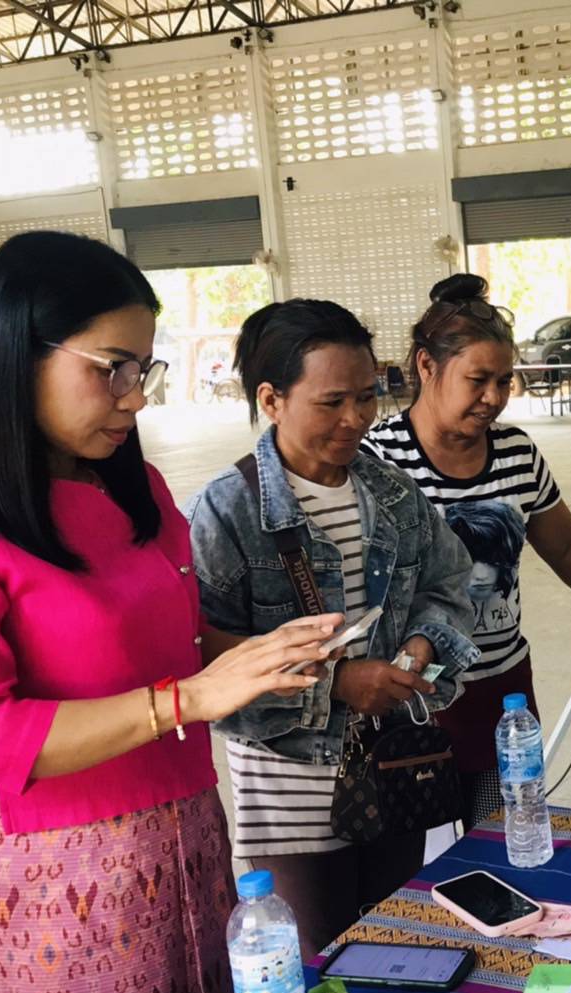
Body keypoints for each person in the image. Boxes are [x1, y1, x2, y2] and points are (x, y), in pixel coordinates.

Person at [0, 232, 339, 993]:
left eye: (145, 370)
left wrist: (259, 658)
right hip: (55, 881)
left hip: (186, 835)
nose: (133, 396)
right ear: (16, 350)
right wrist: (186, 698)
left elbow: (177, 646)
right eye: (111, 367)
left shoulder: (130, 485)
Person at [186, 299, 478, 959]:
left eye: (369, 397)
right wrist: (338, 686)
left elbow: (450, 584)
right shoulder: (224, 514)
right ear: (271, 399)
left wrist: (423, 646)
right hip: (289, 800)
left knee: (397, 953)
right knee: (322, 977)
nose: (356, 420)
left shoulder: (394, 494)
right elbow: (210, 668)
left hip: (391, 776)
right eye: (331, 401)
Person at [363, 274, 571, 825]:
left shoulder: (515, 453)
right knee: (423, 854)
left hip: (502, 692)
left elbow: (569, 546)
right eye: (478, 379)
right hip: (413, 697)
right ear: (427, 367)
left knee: (503, 835)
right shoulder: (378, 460)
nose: (494, 398)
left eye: (505, 381)